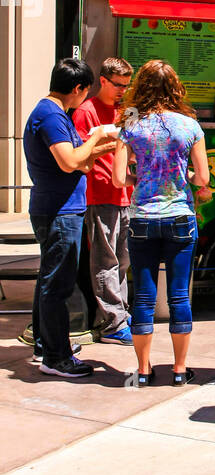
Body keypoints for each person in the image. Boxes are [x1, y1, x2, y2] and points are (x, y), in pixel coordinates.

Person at [112, 60, 211, 387]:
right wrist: (183, 177)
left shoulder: (130, 121)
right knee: (179, 296)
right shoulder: (188, 124)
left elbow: (117, 178)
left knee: (142, 297)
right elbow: (203, 177)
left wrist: (140, 178)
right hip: (180, 217)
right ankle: (180, 370)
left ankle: (143, 370)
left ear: (140, 85)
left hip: (142, 218)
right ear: (175, 87)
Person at [24, 59, 118, 378]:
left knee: (48, 281)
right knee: (57, 285)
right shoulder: (51, 115)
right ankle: (56, 356)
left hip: (61, 207)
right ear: (78, 88)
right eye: (85, 92)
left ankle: (44, 344)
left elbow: (81, 162)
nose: (85, 99)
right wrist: (95, 138)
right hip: (59, 210)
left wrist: (96, 149)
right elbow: (69, 162)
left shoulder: (55, 114)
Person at [72, 56, 134, 344]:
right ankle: (113, 322)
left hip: (126, 193)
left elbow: (137, 148)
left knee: (122, 259)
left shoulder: (128, 110)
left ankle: (119, 313)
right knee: (105, 260)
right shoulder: (86, 111)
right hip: (99, 192)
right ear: (104, 81)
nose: (122, 90)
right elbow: (80, 153)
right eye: (118, 85)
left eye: (126, 85)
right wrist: (113, 140)